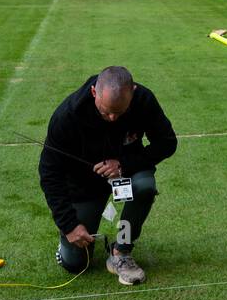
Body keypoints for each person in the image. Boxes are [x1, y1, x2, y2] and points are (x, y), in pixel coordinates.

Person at [38, 66, 177, 285]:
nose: (112, 118)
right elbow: (49, 172)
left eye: (119, 112)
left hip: (128, 171)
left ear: (133, 91)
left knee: (145, 186)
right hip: (84, 183)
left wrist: (123, 164)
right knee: (75, 264)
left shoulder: (144, 100)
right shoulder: (67, 115)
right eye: (105, 112)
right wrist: (69, 225)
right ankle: (68, 243)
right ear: (94, 92)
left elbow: (167, 143)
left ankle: (121, 250)